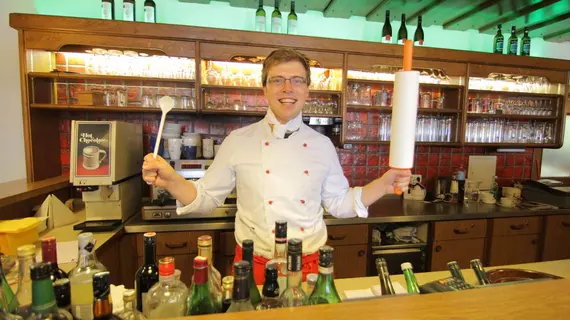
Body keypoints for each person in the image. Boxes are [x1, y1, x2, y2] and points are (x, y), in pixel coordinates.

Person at [142, 48, 411, 284]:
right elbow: (207, 198)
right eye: (277, 80)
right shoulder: (238, 141)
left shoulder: (322, 145)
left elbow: (339, 203)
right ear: (264, 89)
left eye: (296, 81)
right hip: (253, 266)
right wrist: (172, 181)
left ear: (307, 89)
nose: (287, 88)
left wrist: (383, 185)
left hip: (311, 267)